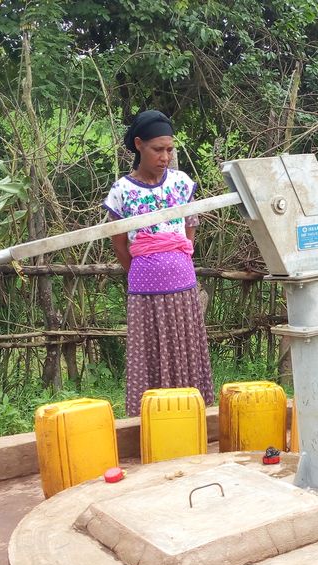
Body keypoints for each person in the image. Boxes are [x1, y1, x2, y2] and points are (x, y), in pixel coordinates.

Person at [104, 110, 214, 417]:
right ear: (139, 145)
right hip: (145, 292)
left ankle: (191, 418)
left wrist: (174, 258)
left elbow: (189, 228)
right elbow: (119, 243)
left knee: (185, 351)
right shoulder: (122, 191)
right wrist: (144, 270)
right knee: (150, 353)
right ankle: (151, 423)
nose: (165, 156)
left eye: (169, 149)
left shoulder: (181, 184)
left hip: (182, 286)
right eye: (157, 149)